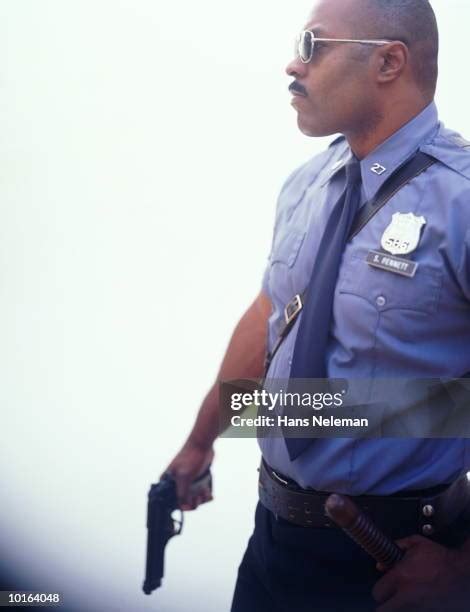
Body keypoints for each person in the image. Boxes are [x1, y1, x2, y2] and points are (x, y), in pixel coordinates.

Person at [165, 0, 470, 609]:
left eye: (312, 45)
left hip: (395, 563)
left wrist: (464, 573)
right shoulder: (308, 183)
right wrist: (201, 441)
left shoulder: (461, 205)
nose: (291, 65)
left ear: (388, 61)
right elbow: (272, 319)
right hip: (274, 545)